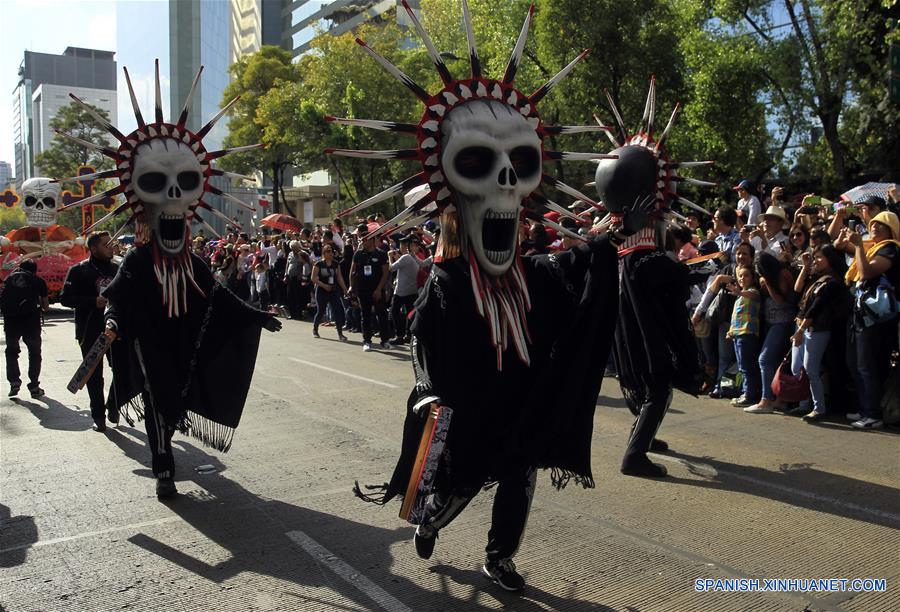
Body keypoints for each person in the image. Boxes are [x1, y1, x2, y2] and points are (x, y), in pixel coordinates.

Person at [838, 211, 900, 429]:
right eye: (873, 224)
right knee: (853, 362)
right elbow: (839, 247)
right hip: (859, 313)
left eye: (880, 226)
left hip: (874, 317)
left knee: (867, 365)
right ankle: (864, 408)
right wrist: (851, 241)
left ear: (891, 229)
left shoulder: (890, 249)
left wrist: (857, 247)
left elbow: (865, 273)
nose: (874, 228)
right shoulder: (870, 247)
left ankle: (873, 413)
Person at [59, 231, 120, 430]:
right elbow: (65, 299)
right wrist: (92, 302)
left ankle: (113, 403)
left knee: (121, 371)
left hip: (116, 330)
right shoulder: (79, 270)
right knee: (94, 376)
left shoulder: (118, 269)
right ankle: (98, 416)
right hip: (89, 331)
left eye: (111, 243)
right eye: (105, 244)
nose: (111, 247)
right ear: (93, 248)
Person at [791, 245, 848, 421]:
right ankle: (804, 403)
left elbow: (816, 308)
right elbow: (797, 288)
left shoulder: (833, 282)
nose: (815, 260)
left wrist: (800, 330)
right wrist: (807, 266)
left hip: (818, 330)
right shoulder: (816, 278)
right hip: (802, 326)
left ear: (830, 259)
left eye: (819, 258)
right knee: (796, 368)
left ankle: (818, 408)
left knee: (810, 369)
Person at [742, 252, 797, 413]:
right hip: (770, 322)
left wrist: (768, 283)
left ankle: (766, 400)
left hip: (783, 321)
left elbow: (782, 300)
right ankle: (779, 399)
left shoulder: (781, 275)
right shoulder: (768, 277)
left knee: (764, 360)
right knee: (776, 362)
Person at [1, 259, 48, 398]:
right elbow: (45, 306)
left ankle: (14, 382)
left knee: (11, 352)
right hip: (31, 322)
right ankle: (34, 386)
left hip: (11, 322)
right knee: (34, 353)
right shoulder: (38, 281)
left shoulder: (8, 279)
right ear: (34, 270)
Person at [349, 225, 391, 351]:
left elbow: (385, 273)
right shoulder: (358, 254)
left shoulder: (381, 254)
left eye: (364, 239)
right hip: (363, 290)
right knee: (365, 315)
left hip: (377, 290)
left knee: (381, 315)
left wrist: (379, 289)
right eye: (361, 239)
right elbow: (352, 271)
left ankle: (385, 340)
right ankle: (366, 341)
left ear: (372, 240)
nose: (362, 242)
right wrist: (351, 286)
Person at [726, 265, 762, 409]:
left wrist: (740, 292)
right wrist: (730, 331)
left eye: (746, 275)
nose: (742, 278)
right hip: (738, 334)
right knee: (742, 365)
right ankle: (746, 392)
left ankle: (749, 394)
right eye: (740, 276)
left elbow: (753, 296)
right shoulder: (739, 297)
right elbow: (736, 316)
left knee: (747, 366)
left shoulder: (752, 292)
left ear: (753, 278)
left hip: (747, 333)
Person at [388, 235, 432, 344]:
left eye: (403, 244)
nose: (401, 246)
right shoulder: (413, 257)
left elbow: (391, 268)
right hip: (412, 290)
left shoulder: (407, 257)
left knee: (395, 312)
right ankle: (409, 335)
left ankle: (400, 336)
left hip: (401, 291)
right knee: (409, 313)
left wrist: (389, 256)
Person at [311, 244, 348, 341]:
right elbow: (313, 278)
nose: (331, 253)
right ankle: (315, 329)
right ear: (324, 253)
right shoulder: (318, 264)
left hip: (333, 290)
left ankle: (340, 334)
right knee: (320, 311)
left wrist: (344, 288)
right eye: (328, 251)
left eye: (332, 251)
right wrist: (324, 285)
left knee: (337, 311)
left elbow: (339, 277)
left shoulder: (336, 264)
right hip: (322, 290)